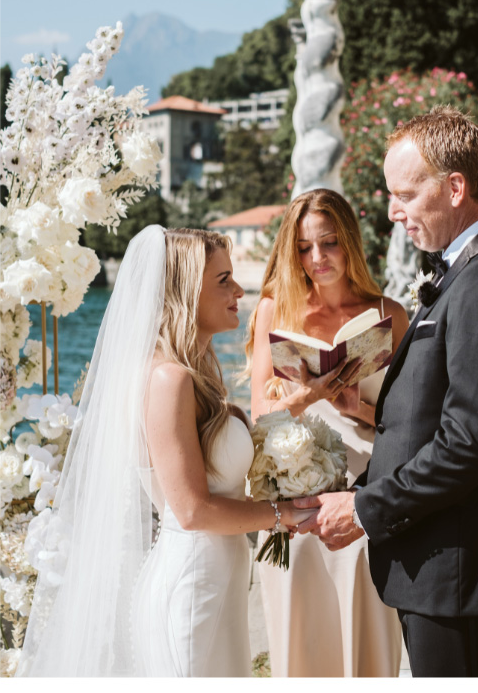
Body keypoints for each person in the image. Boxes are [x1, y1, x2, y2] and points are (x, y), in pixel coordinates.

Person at [294, 106, 478, 677]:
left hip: (454, 566)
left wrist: (364, 508)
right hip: (435, 564)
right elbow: (423, 421)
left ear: (455, 187)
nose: (393, 211)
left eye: (405, 194)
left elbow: (470, 443)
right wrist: (349, 486)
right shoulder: (465, 272)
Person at [17, 226, 314, 677]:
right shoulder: (166, 379)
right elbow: (192, 510)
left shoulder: (192, 375)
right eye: (222, 281)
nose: (238, 290)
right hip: (192, 587)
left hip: (218, 582)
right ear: (183, 290)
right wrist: (285, 514)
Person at [245, 188, 407, 677]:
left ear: (350, 242)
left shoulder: (390, 314)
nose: (317, 258)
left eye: (329, 242)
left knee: (367, 639)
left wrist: (355, 404)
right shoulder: (276, 310)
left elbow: (407, 423)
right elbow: (259, 415)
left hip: (367, 494)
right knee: (302, 641)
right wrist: (312, 393)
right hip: (296, 495)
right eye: (303, 248)